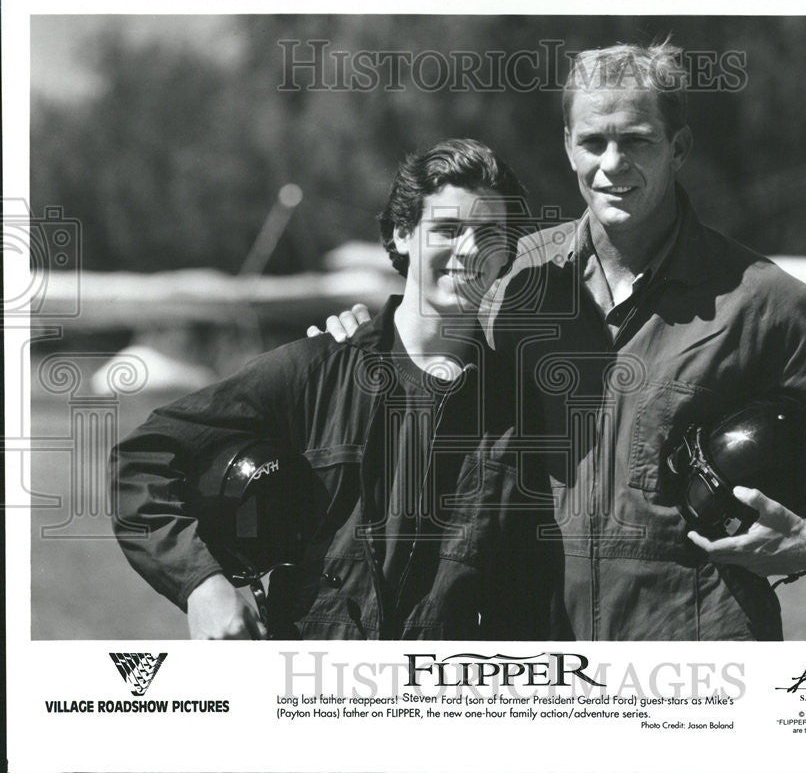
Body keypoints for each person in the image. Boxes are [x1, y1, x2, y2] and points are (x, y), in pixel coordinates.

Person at [316, 42, 806, 641]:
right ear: (568, 147)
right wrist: (356, 347)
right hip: (531, 645)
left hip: (697, 649)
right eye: (592, 142)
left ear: (677, 148)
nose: (612, 164)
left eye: (636, 140)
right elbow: (423, 376)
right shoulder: (511, 281)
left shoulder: (761, 300)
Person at [110, 138, 553, 640]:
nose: (470, 250)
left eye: (489, 232)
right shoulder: (317, 369)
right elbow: (143, 461)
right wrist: (202, 584)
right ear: (402, 233)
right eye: (448, 229)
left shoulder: (521, 410)